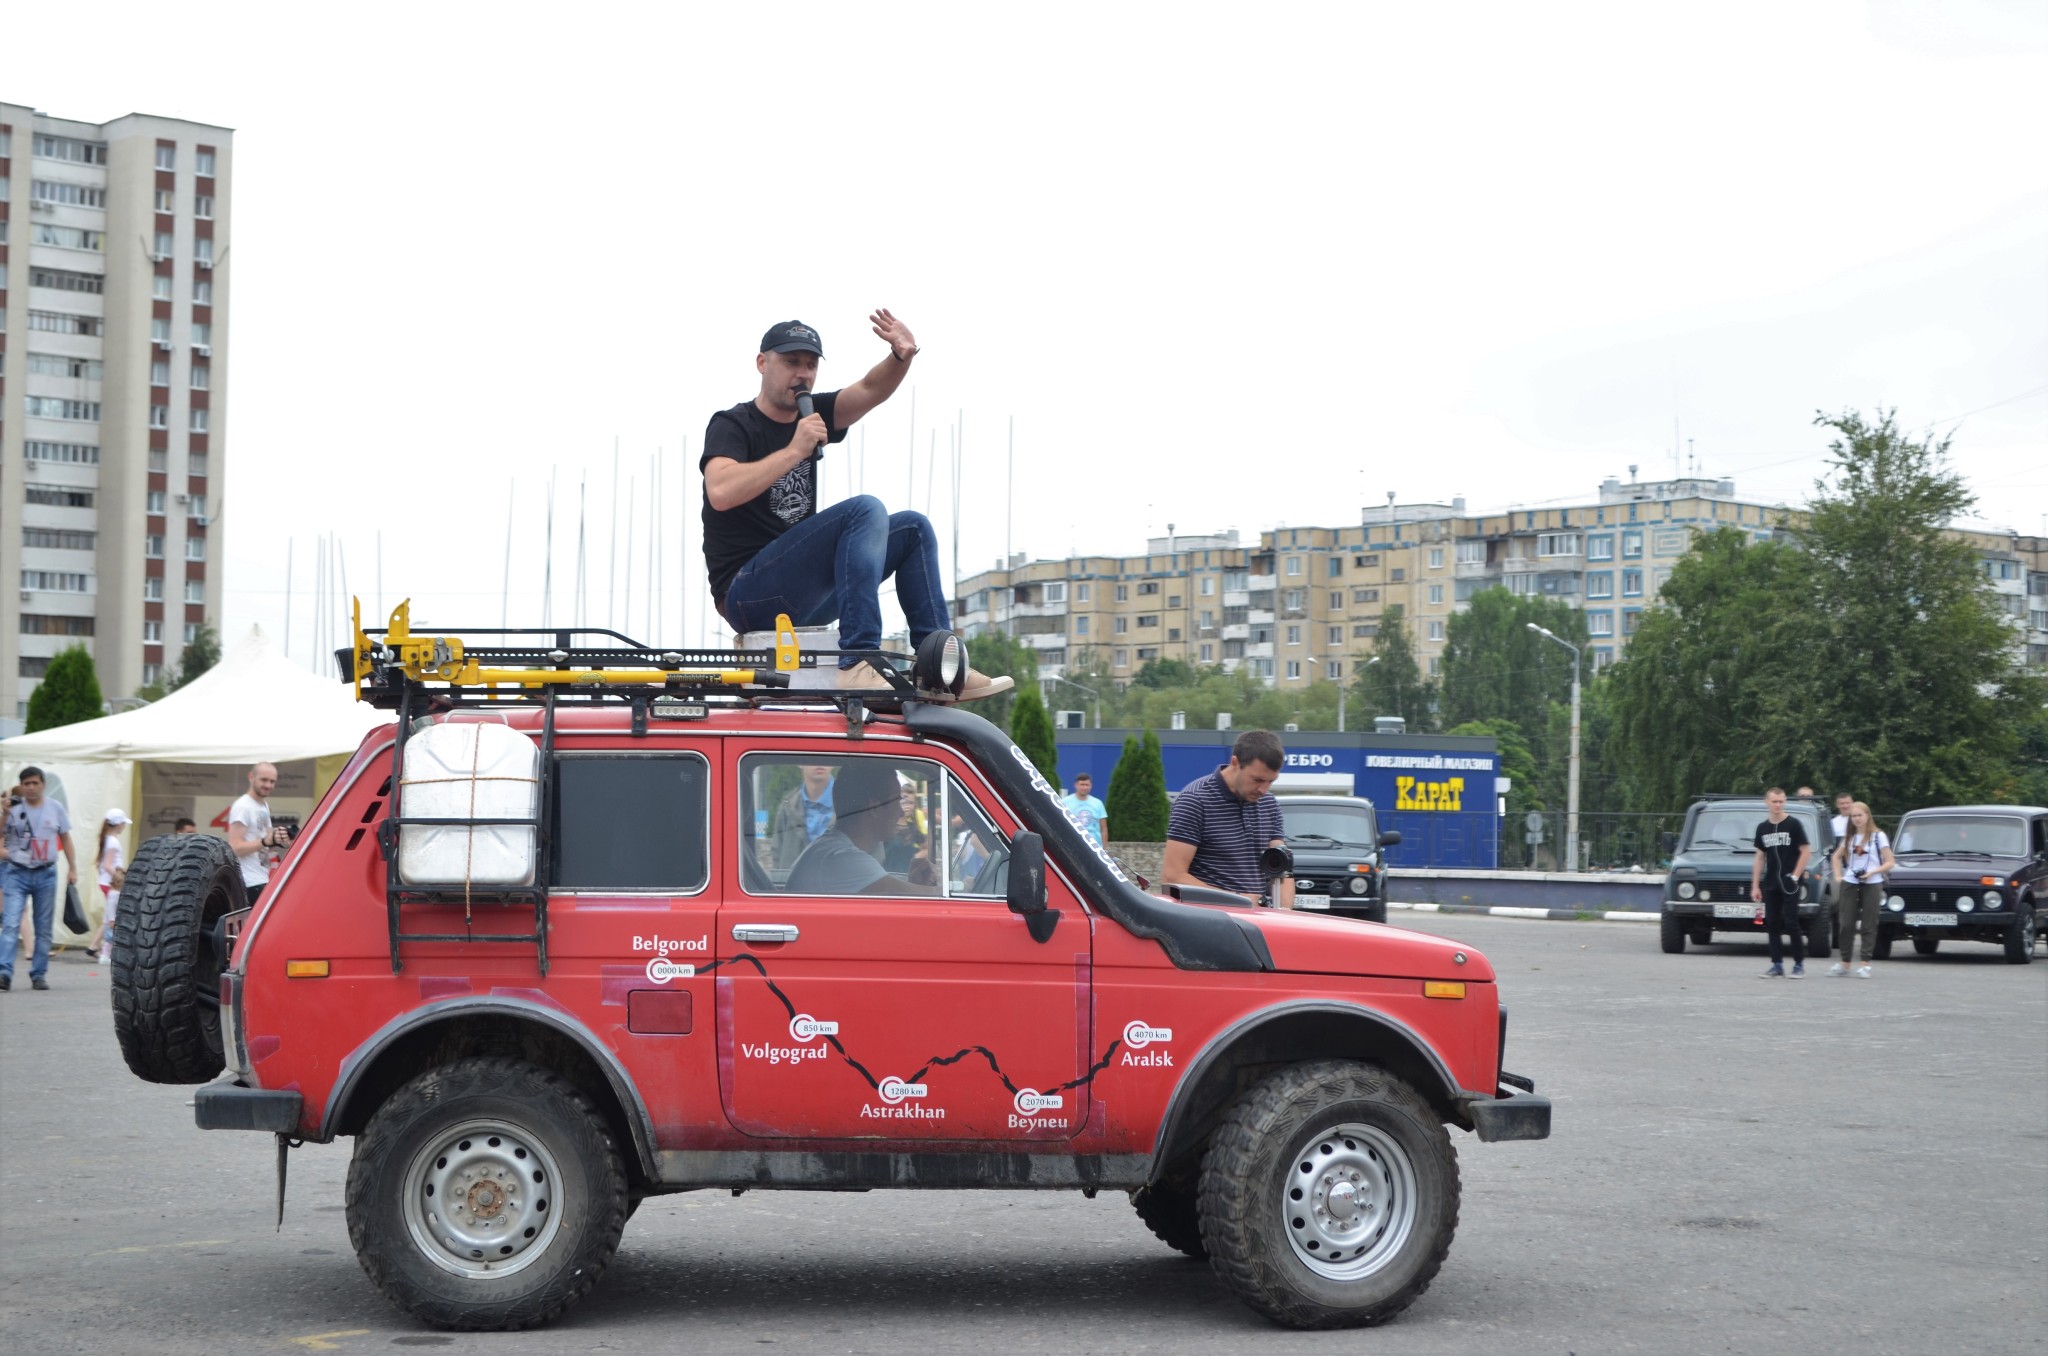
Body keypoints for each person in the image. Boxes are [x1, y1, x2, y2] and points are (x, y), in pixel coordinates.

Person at [699, 314, 1011, 702]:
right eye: (792, 362)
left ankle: (937, 665)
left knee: (912, 528)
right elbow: (721, 491)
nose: (803, 374)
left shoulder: (813, 413)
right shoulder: (733, 424)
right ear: (763, 363)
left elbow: (868, 388)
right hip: (747, 595)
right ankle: (858, 660)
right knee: (864, 510)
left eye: (810, 365)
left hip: (802, 597)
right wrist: (795, 450)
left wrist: (901, 357)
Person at [1162, 731, 1295, 909]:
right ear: (1235, 762)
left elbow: (1281, 868)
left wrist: (1283, 912)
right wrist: (1239, 900)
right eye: (1257, 780)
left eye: (1271, 782)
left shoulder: (1268, 804)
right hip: (1207, 921)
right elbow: (1173, 876)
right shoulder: (1195, 800)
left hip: (1259, 923)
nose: (1263, 789)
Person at [785, 761, 937, 896]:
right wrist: (959, 887)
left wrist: (914, 883)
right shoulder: (843, 858)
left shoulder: (831, 850)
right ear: (874, 808)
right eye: (897, 800)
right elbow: (933, 898)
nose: (901, 812)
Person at [2, 767, 77, 992]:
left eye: (35, 783)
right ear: (21, 786)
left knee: (43, 928)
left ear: (43, 784)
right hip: (17, 872)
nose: (31, 787)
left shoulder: (55, 808)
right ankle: (4, 972)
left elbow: (66, 837)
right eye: (27, 784)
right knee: (10, 923)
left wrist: (73, 868)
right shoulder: (13, 808)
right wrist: (4, 813)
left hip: (46, 872)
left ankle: (39, 974)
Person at [1750, 786, 1813, 977]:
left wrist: (1795, 875)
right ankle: (1777, 964)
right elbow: (1760, 857)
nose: (1778, 805)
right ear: (1767, 803)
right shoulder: (1763, 828)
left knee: (1792, 922)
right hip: (1771, 882)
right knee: (1772, 923)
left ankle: (1798, 964)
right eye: (1774, 801)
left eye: (1781, 801)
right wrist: (1755, 885)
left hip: (1790, 881)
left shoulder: (1793, 824)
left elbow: (1806, 851)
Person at [1830, 801, 1895, 979]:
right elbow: (1836, 857)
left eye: (1860, 815)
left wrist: (1873, 871)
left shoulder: (1878, 836)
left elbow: (1890, 861)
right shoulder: (1849, 837)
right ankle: (1845, 963)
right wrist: (1838, 877)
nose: (1857, 819)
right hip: (1851, 881)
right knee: (1846, 923)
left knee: (1869, 922)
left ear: (1867, 816)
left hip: (1872, 881)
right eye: (1854, 816)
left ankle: (1865, 963)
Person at [227, 762, 289, 905]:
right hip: (248, 883)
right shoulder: (243, 806)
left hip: (262, 878)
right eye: (264, 780)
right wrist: (265, 842)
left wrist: (280, 839)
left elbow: (267, 840)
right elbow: (234, 848)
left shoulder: (263, 805)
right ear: (251, 777)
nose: (268, 785)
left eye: (272, 781)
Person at [770, 766, 835, 871]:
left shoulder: (849, 805)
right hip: (794, 886)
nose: (819, 761)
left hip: (840, 887)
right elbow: (776, 855)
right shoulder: (787, 807)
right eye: (813, 753)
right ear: (800, 764)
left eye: (824, 753)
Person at [95, 809, 132, 963]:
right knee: (112, 918)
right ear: (118, 824)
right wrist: (120, 878)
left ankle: (97, 947)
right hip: (112, 883)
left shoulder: (108, 839)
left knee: (110, 917)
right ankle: (106, 951)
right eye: (123, 823)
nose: (124, 826)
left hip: (107, 881)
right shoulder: (113, 841)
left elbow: (102, 864)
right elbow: (108, 865)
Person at [1061, 773, 1108, 847]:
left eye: (1087, 785)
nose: (1084, 787)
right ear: (1076, 785)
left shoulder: (1098, 803)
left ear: (1091, 786)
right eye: (1082, 784)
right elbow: (1061, 825)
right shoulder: (1065, 802)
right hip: (1072, 845)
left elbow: (1104, 829)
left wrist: (1104, 849)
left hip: (1095, 847)